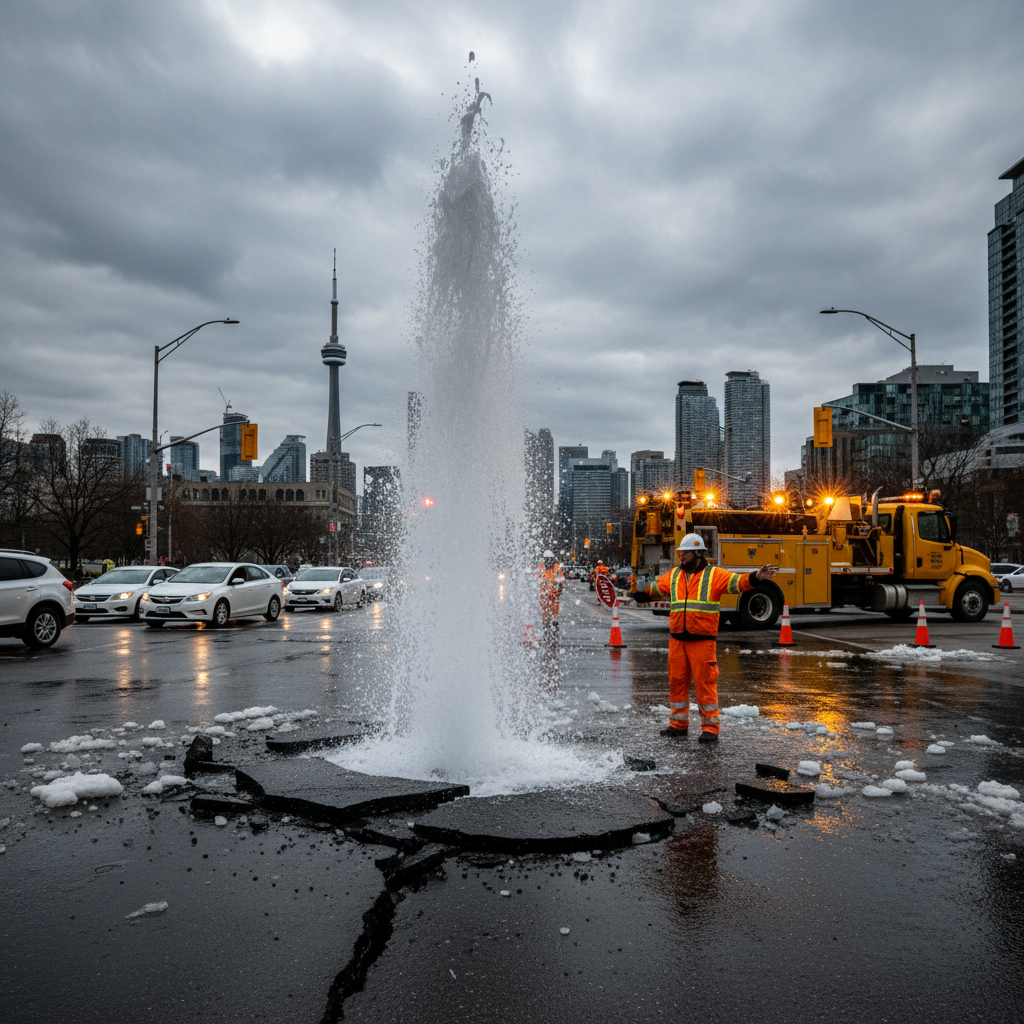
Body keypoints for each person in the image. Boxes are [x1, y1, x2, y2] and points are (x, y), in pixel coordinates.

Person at [633, 534, 777, 743]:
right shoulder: (674, 575)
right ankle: (678, 725)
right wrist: (639, 592)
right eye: (680, 553)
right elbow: (655, 590)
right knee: (676, 682)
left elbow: (737, 583)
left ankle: (710, 728)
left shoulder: (714, 575)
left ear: (698, 553)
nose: (681, 556)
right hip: (677, 641)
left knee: (705, 684)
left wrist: (756, 577)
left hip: (702, 641)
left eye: (686, 553)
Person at [537, 550, 565, 632]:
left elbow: (562, 578)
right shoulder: (541, 567)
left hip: (554, 593)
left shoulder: (557, 568)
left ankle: (554, 620)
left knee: (554, 607)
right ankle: (546, 620)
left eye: (550, 559)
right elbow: (538, 578)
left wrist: (558, 583)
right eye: (547, 559)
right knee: (545, 607)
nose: (548, 560)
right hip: (545, 593)